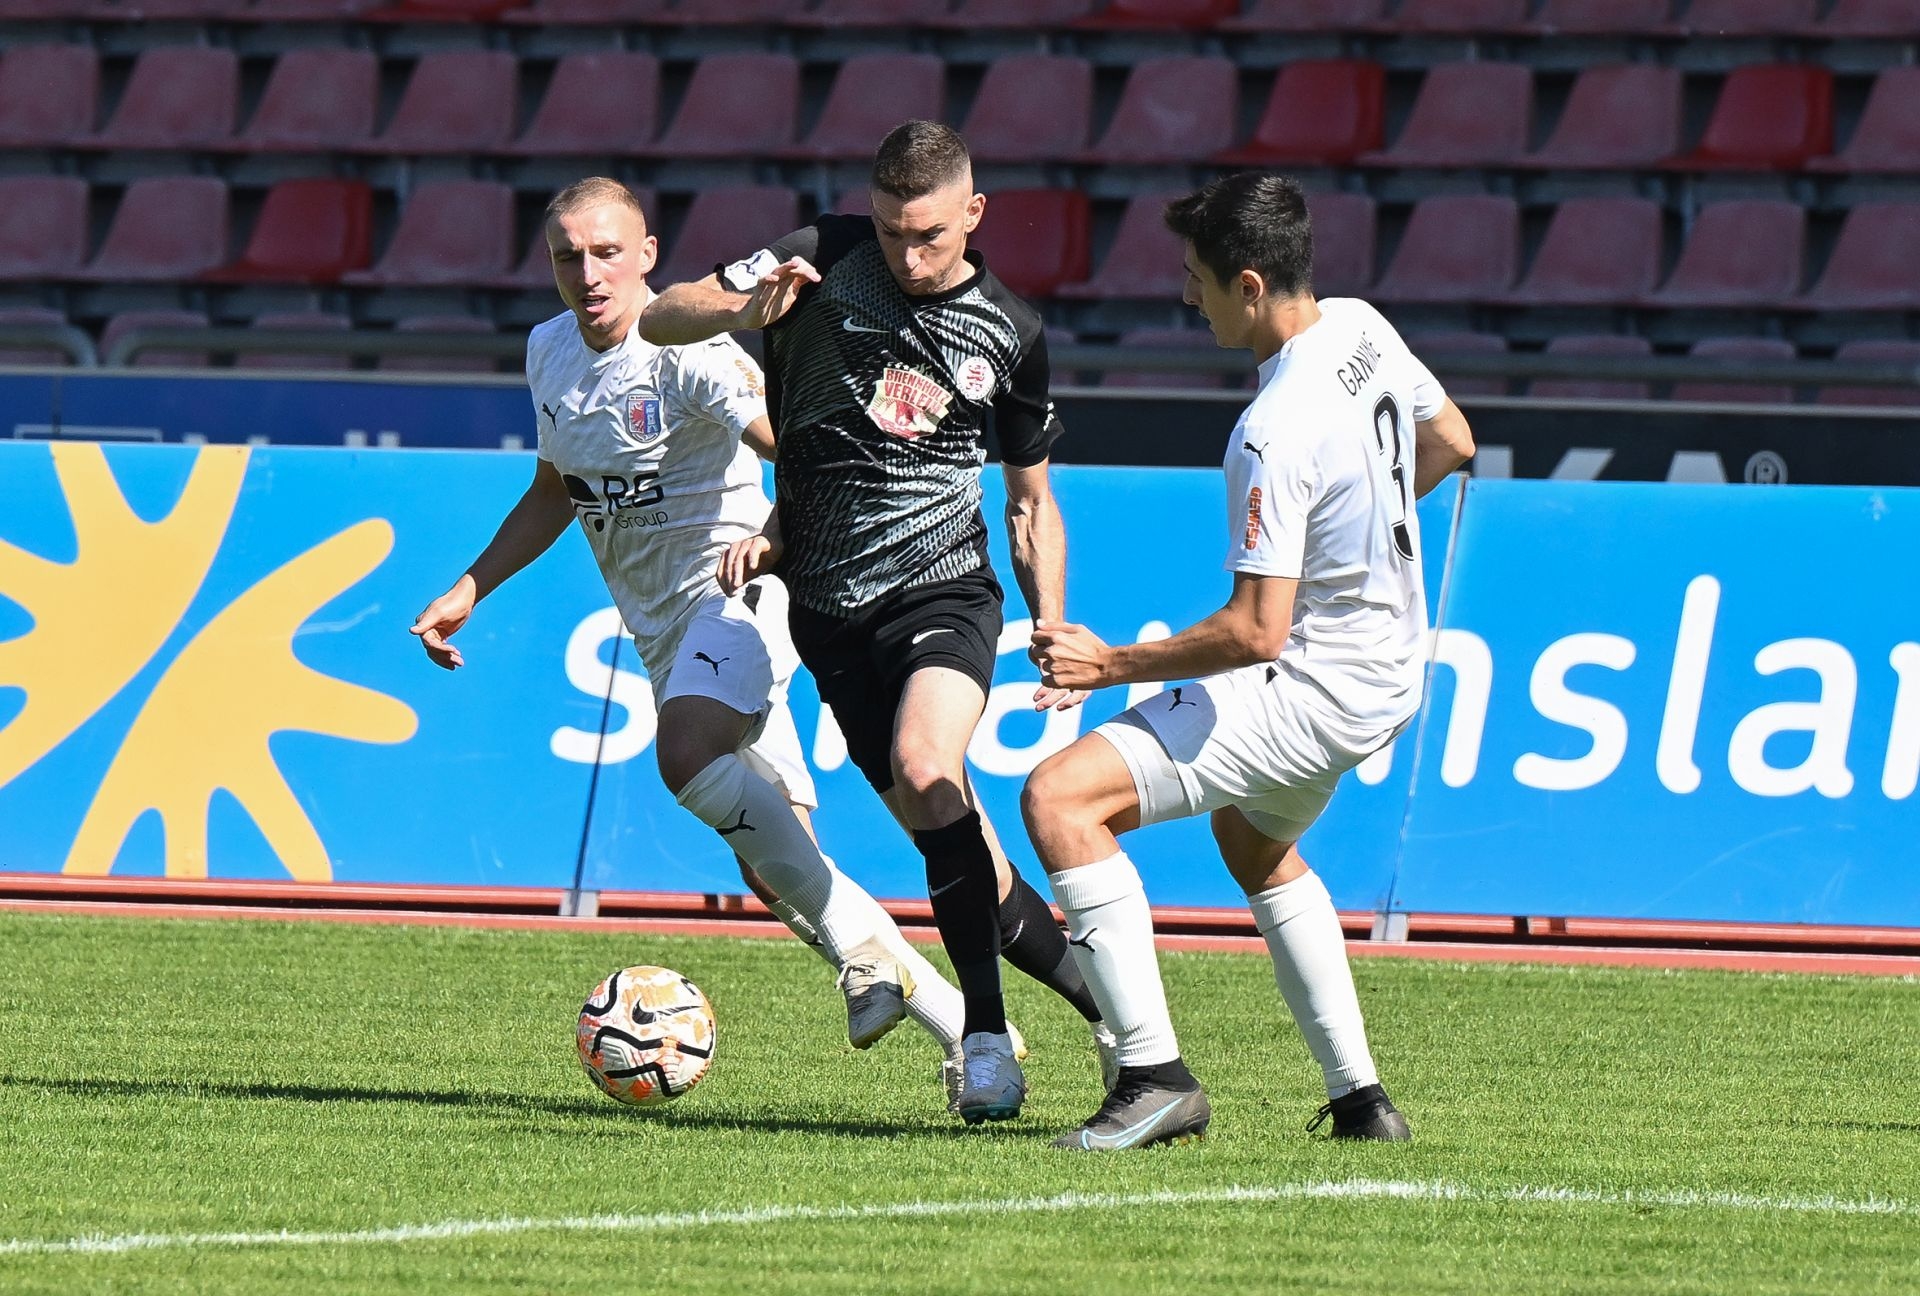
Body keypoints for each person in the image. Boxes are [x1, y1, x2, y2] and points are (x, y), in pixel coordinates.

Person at [410, 177, 978, 1103]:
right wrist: (472, 585)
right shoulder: (547, 351)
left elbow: (794, 447)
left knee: (685, 751)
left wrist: (801, 520)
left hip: (743, 592)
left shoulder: (689, 353)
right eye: (566, 256)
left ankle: (871, 966)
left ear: (646, 255)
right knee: (775, 869)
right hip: (663, 633)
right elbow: (558, 488)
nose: (586, 274)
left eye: (605, 253)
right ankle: (965, 1033)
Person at [641, 121, 1115, 1124]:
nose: (909, 254)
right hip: (829, 612)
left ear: (973, 215)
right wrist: (741, 303)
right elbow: (660, 320)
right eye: (895, 232)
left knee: (929, 766)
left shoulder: (1011, 332)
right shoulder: (822, 252)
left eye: (931, 235)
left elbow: (1031, 501)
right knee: (960, 850)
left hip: (943, 589)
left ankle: (984, 1042)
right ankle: (1117, 1018)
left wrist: (1053, 623)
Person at [1021, 172, 1477, 1151]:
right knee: (1254, 843)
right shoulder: (1362, 326)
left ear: (1252, 284)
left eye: (1199, 281)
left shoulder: (1270, 431)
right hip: (1392, 671)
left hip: (1312, 684)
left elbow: (1257, 634)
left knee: (1061, 800)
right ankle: (1361, 1101)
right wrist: (1365, 545)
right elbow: (1453, 442)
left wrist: (1105, 668)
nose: (1190, 299)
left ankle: (1151, 1078)